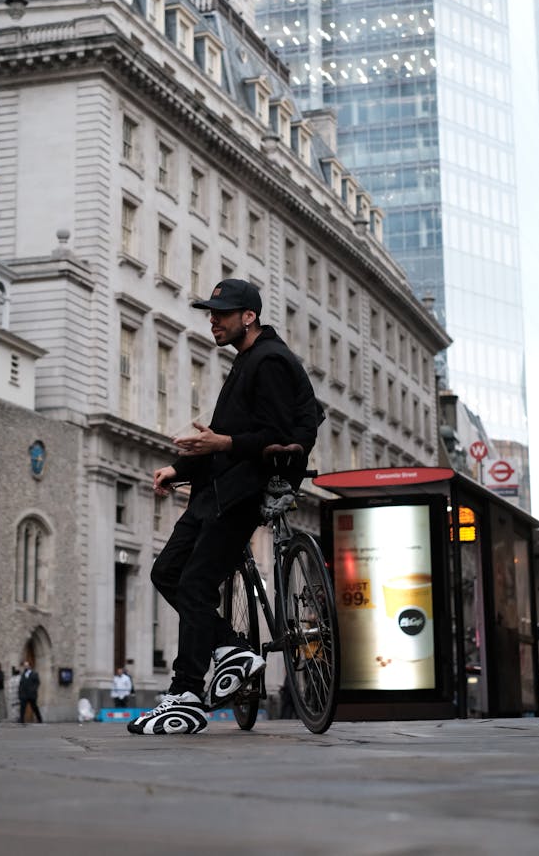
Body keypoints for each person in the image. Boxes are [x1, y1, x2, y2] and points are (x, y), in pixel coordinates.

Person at [128, 278, 320, 736]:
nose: (212, 320)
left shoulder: (270, 361)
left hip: (242, 494)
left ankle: (187, 694)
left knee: (194, 584)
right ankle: (231, 648)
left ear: (248, 316)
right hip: (215, 489)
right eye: (211, 312)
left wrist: (223, 441)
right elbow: (224, 441)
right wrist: (180, 468)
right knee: (166, 573)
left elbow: (277, 438)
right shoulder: (247, 361)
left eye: (222, 313)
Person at [18, 659, 43, 723]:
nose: (25, 667)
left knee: (34, 707)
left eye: (27, 665)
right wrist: (20, 692)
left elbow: (37, 683)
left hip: (31, 694)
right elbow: (21, 683)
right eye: (25, 665)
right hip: (24, 694)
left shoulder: (34, 673)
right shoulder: (23, 674)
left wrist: (33, 690)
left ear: (29, 666)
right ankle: (21, 720)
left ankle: (39, 719)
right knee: (22, 707)